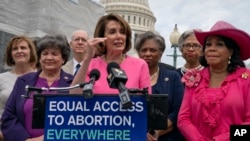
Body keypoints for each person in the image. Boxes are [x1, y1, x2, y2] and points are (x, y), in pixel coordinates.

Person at [178, 21, 250, 141]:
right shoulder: (193, 79)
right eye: (208, 44)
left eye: (219, 44)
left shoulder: (246, 79)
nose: (211, 49)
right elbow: (183, 119)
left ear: (231, 51)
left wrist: (223, 139)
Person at [1, 34, 73, 141]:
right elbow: (9, 116)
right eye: (45, 53)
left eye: (54, 54)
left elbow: (77, 119)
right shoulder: (23, 81)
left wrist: (46, 138)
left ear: (63, 59)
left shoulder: (73, 83)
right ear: (39, 58)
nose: (49, 57)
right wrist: (25, 139)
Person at [70, 13, 151, 94]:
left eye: (122, 32)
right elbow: (74, 96)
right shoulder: (91, 65)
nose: (119, 36)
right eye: (112, 32)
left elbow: (148, 100)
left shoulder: (140, 65)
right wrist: (87, 59)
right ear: (101, 38)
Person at [135, 31, 184, 141]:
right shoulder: (129, 76)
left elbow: (178, 110)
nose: (148, 54)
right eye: (144, 50)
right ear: (138, 53)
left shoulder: (173, 77)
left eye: (153, 50)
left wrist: (155, 132)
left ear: (161, 53)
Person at [0, 35, 37, 141]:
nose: (19, 51)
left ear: (31, 51)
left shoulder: (41, 78)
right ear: (10, 54)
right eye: (15, 49)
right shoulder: (1, 78)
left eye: (23, 47)